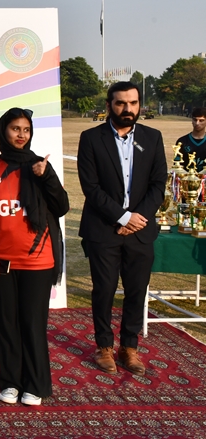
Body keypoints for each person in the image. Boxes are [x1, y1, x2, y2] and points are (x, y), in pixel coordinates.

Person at [0, 107, 69, 406]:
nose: (21, 135)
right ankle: (10, 381)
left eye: (26, 130)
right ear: (3, 131)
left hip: (37, 261)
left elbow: (62, 207)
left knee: (33, 324)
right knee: (6, 324)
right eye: (15, 128)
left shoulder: (40, 167)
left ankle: (36, 384)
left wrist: (47, 178)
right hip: (0, 262)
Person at [78, 81, 166, 376]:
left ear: (140, 104)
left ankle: (129, 347)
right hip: (103, 229)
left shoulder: (153, 137)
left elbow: (158, 184)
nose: (128, 108)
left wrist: (136, 218)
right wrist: (122, 218)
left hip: (140, 230)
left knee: (136, 291)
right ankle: (104, 346)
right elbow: (90, 187)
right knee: (104, 290)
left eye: (133, 103)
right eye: (120, 103)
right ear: (109, 105)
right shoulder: (91, 138)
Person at [175, 107, 206, 171]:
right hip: (186, 177)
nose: (197, 123)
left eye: (201, 120)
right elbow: (177, 166)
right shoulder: (182, 141)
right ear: (192, 120)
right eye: (195, 120)